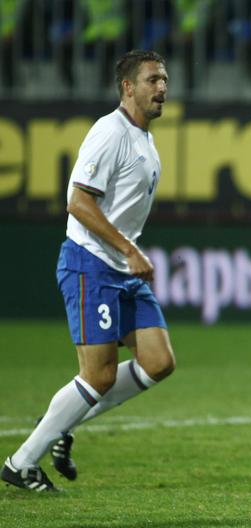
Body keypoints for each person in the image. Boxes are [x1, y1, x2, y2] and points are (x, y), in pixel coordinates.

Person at [2, 49, 175, 492]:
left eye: (164, 79)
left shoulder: (145, 138)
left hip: (121, 267)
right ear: (127, 87)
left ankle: (62, 420)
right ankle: (21, 463)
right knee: (97, 375)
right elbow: (78, 201)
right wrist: (129, 250)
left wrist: (128, 255)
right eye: (153, 79)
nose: (162, 88)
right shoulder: (109, 132)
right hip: (91, 263)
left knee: (158, 362)